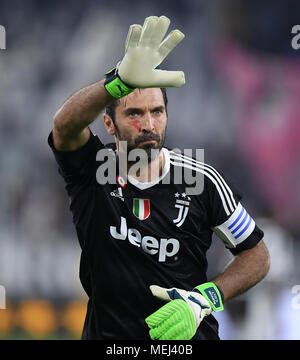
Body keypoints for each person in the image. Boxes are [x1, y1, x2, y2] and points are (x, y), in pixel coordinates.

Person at [48, 16, 270, 340]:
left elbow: (257, 255)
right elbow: (64, 126)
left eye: (157, 111)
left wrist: (203, 300)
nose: (149, 124)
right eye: (134, 113)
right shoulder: (92, 170)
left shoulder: (202, 179)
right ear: (109, 125)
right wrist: (115, 83)